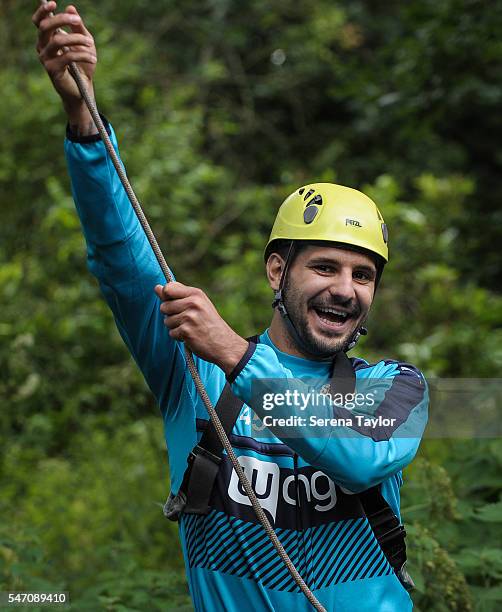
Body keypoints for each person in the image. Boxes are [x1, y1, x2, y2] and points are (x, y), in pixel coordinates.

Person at [33, 3, 428, 611]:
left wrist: (239, 356)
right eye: (324, 267)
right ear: (278, 270)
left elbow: (361, 458)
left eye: (363, 275)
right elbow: (121, 256)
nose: (346, 289)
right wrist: (85, 120)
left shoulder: (395, 387)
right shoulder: (194, 371)